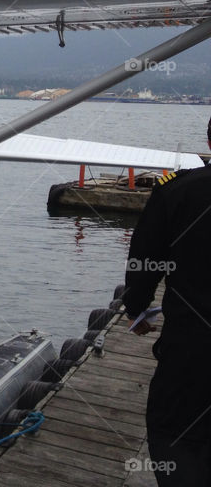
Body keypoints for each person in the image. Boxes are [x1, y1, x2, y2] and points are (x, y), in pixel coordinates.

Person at [123, 116, 211, 486]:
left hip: (191, 350)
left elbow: (144, 260)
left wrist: (137, 309)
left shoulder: (178, 191)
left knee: (177, 437)